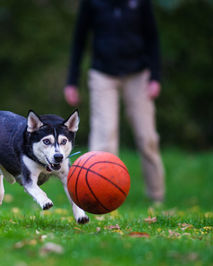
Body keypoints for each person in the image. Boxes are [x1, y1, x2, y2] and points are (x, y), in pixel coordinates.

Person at [64, 0, 165, 203]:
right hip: (103, 74)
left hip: (138, 74)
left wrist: (155, 77)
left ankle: (157, 197)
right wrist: (72, 81)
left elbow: (152, 37)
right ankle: (99, 197)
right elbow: (79, 39)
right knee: (104, 137)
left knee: (147, 138)